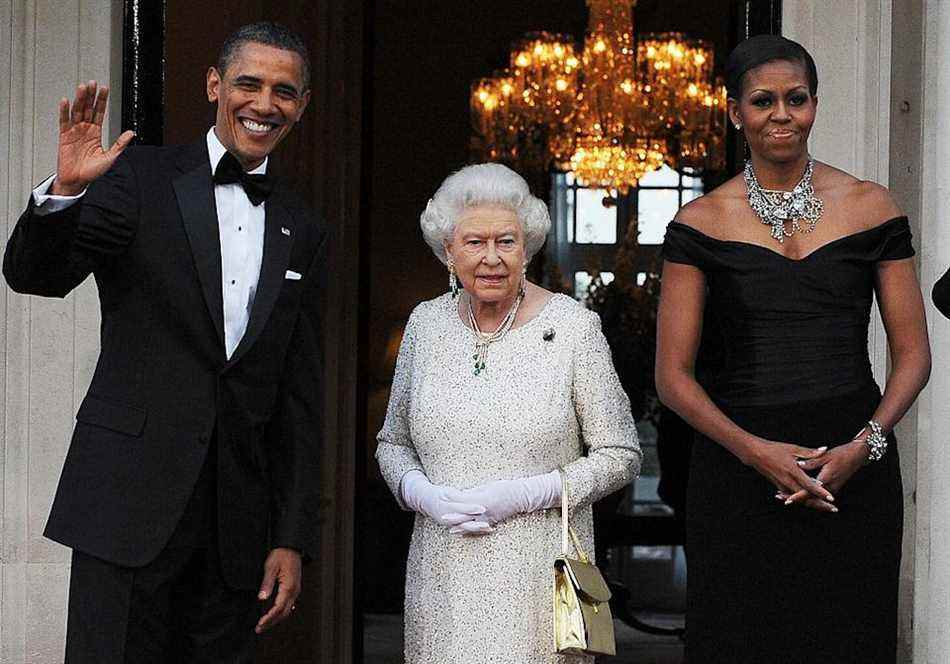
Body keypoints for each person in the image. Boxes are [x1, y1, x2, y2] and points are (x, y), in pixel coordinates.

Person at [3, 22, 325, 662]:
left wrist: (290, 536)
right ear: (214, 85)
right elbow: (35, 276)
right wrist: (66, 191)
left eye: (284, 91)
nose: (265, 104)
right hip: (126, 503)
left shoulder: (304, 226)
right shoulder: (138, 177)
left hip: (235, 529)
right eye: (248, 84)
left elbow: (297, 395)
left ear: (302, 105)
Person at [655, 34, 931, 663]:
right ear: (734, 113)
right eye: (762, 101)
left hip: (853, 465)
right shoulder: (699, 223)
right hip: (737, 469)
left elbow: (913, 354)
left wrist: (867, 444)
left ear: (814, 104)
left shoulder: (871, 205)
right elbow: (672, 377)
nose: (781, 115)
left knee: (848, 638)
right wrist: (758, 455)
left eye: (796, 99)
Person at [375, 163, 642, 664]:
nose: (492, 259)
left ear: (528, 247)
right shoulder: (425, 325)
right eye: (475, 243)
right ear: (448, 251)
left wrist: (528, 492)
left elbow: (621, 454)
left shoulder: (573, 329)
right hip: (441, 576)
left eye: (507, 241)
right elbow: (393, 443)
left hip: (537, 577)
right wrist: (421, 493)